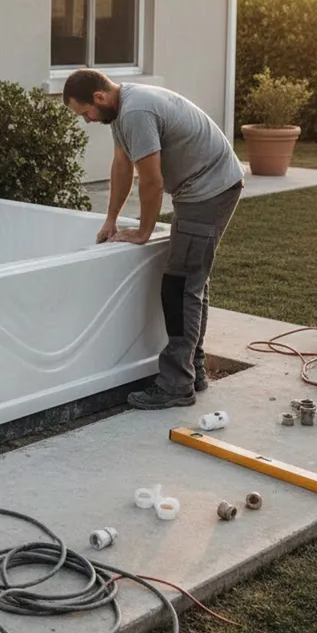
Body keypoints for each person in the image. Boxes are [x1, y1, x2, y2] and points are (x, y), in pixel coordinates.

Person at [62, 69, 244, 410]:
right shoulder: (121, 110)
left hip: (210, 189)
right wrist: (111, 220)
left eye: (84, 112)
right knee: (192, 282)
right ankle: (194, 371)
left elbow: (151, 181)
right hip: (204, 187)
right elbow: (121, 166)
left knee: (180, 285)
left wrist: (144, 231)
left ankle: (177, 384)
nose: (86, 120)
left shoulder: (136, 112)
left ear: (99, 98)